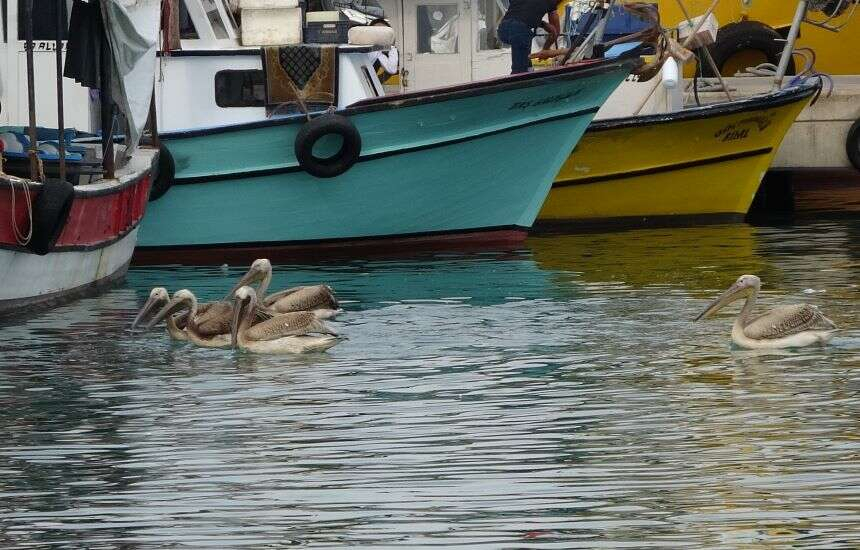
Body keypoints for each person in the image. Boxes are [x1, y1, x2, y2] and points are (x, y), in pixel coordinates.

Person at [497, 0, 560, 74]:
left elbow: (519, 12)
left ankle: (528, 71)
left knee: (527, 63)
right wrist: (545, 49)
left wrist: (542, 24)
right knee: (520, 71)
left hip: (503, 28)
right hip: (519, 31)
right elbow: (555, 31)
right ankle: (519, 82)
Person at [368, 18, 400, 86]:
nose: (380, 35)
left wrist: (391, 46)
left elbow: (392, 69)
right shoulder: (371, 47)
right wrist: (391, 47)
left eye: (384, 32)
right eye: (376, 32)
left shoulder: (377, 51)